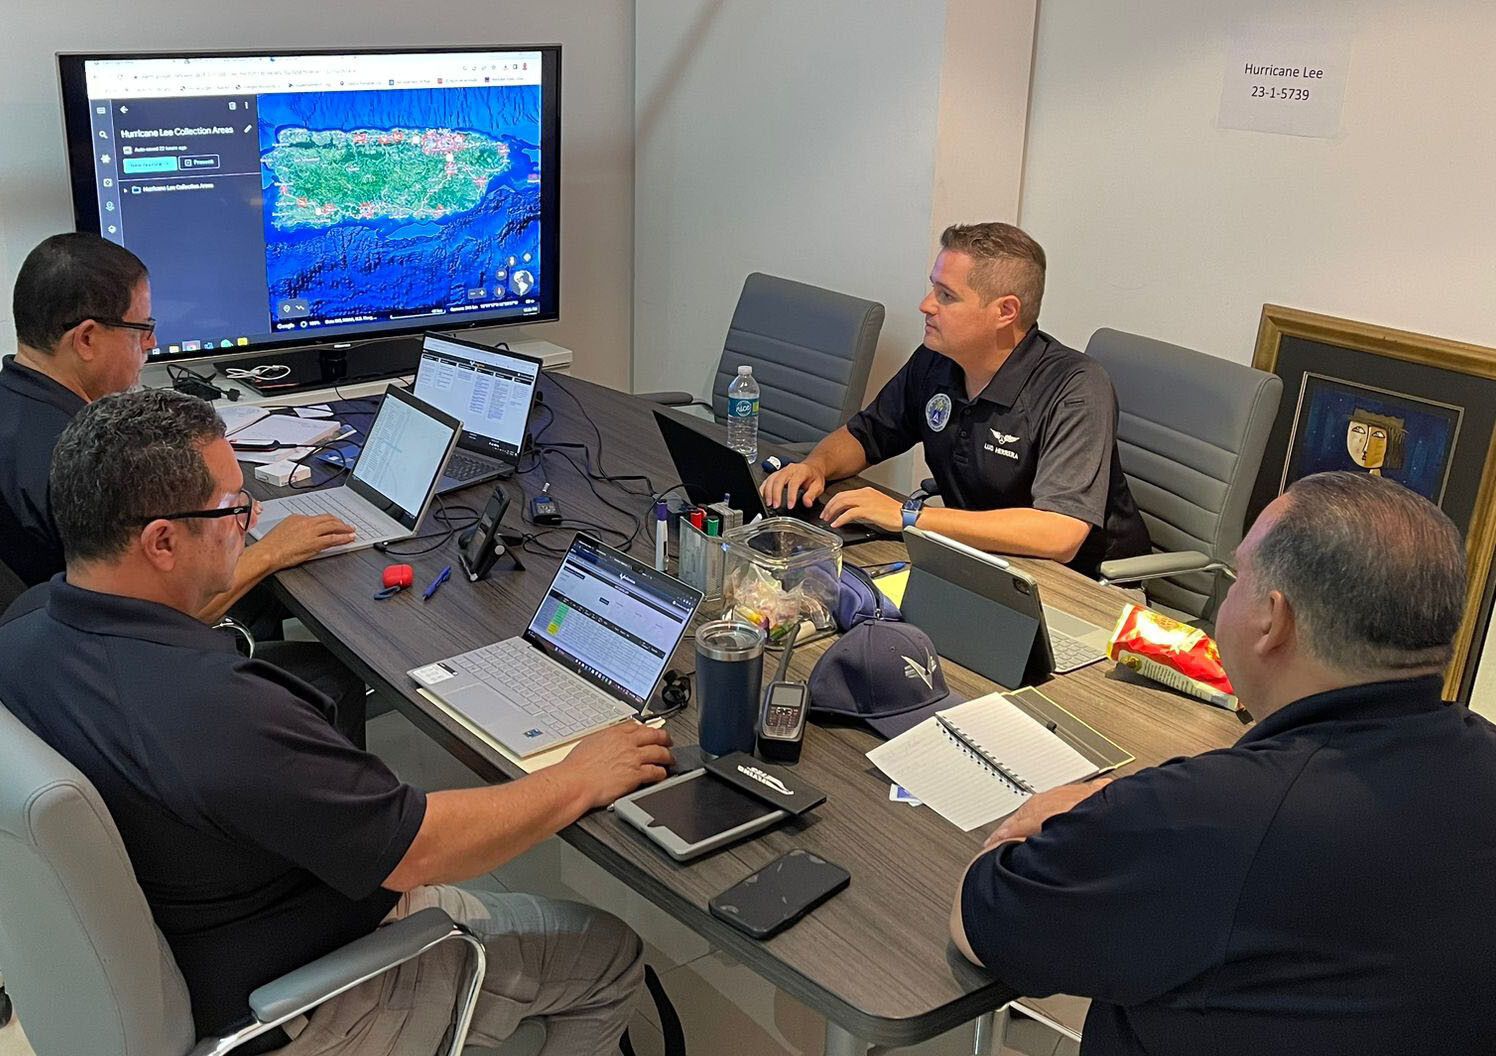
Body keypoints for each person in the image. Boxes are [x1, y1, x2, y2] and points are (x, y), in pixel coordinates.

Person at [0, 389, 669, 1054]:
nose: (249, 521)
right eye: (234, 507)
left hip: (197, 942)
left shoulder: (22, 631)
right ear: (162, 541)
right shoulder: (220, 714)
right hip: (299, 1001)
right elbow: (422, 850)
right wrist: (578, 777)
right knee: (609, 955)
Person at [950, 471, 1496, 1055]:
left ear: (1273, 621)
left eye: (1237, 580)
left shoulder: (1206, 817)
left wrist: (1089, 816)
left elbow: (979, 917)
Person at [0, 232, 366, 740]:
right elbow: (148, 612)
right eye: (142, 329)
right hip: (111, 688)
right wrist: (271, 551)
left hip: (41, 664)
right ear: (86, 339)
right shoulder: (75, 457)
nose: (151, 344)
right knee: (326, 673)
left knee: (264, 592)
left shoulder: (17, 407)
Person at [760, 222, 1148, 576]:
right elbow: (867, 435)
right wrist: (816, 466)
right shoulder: (937, 360)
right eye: (934, 288)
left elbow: (1059, 534)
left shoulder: (1075, 386)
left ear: (1005, 311)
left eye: (946, 296)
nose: (926, 305)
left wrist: (908, 516)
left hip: (1086, 586)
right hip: (981, 560)